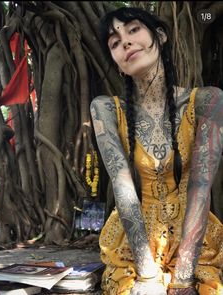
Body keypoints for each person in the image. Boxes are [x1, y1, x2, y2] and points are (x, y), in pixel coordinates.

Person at [90, 6, 223, 295]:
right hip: (132, 245)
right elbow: (123, 189)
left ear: (160, 35)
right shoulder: (106, 109)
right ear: (116, 62)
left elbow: (201, 190)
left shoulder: (207, 101)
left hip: (195, 242)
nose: (125, 41)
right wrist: (148, 277)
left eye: (133, 29)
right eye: (115, 42)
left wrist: (184, 279)